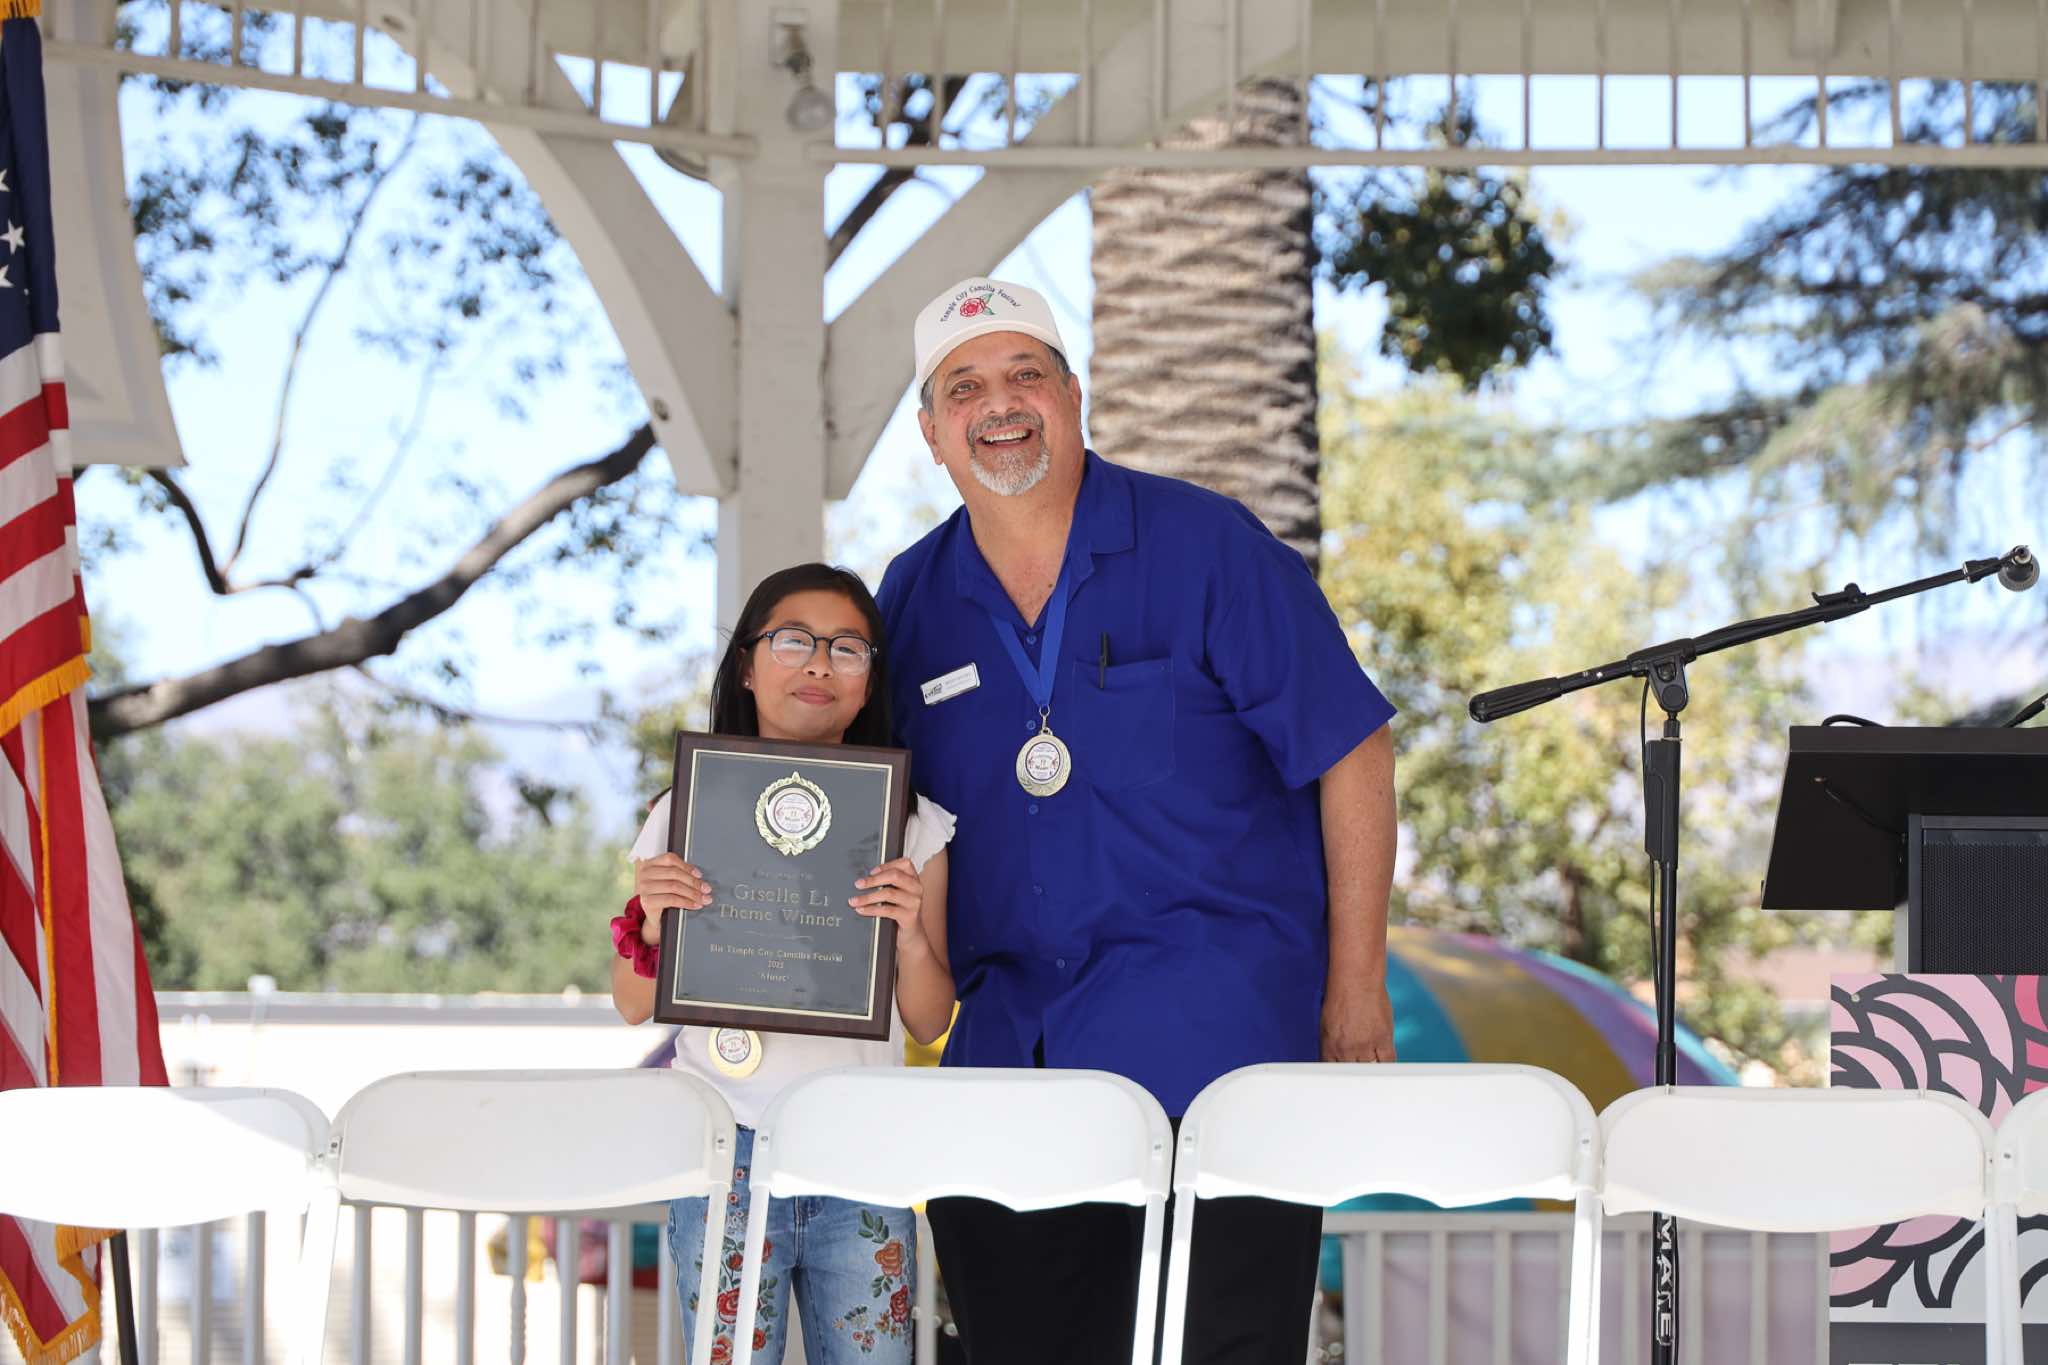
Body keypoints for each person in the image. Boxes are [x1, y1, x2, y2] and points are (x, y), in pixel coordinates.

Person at [874, 279, 1398, 1364]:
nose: (998, 405)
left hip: (1216, 1061)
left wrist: (1354, 989)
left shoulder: (1207, 545)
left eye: (1026, 375)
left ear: (1073, 396)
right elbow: (862, 801)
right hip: (1008, 1078)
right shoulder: (910, 597)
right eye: (963, 388)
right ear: (929, 432)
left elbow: (1350, 749)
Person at [610, 562, 956, 1365]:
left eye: (847, 648)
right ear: (746, 664)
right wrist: (654, 924)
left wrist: (909, 935)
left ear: (870, 681)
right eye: (794, 640)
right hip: (723, 1150)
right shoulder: (683, 810)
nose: (818, 664)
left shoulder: (913, 827)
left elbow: (930, 1017)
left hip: (861, 1152)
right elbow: (630, 1002)